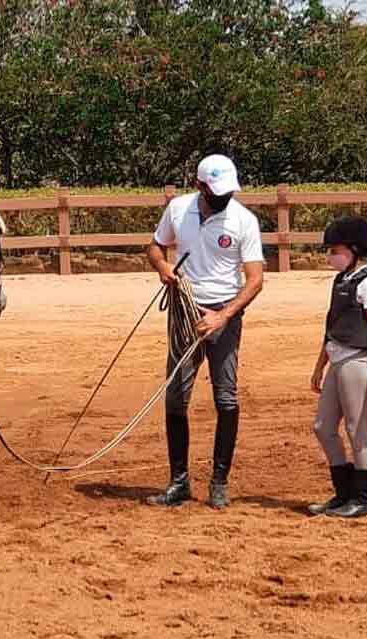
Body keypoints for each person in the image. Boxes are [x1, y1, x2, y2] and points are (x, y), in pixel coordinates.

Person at [145, 154, 265, 508]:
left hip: (224, 317)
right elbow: (155, 246)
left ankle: (219, 482)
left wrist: (223, 316)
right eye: (217, 191)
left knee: (225, 398)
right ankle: (178, 481)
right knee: (175, 397)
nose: (225, 197)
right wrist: (163, 266)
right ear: (200, 186)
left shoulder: (244, 220)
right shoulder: (179, 210)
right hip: (184, 311)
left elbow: (255, 279)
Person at [308, 216, 367, 518]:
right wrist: (320, 365)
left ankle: (361, 498)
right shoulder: (342, 280)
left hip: (358, 360)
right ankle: (343, 493)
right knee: (323, 427)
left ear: (354, 250)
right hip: (338, 358)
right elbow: (332, 327)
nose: (331, 256)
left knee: (357, 429)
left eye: (336, 250)